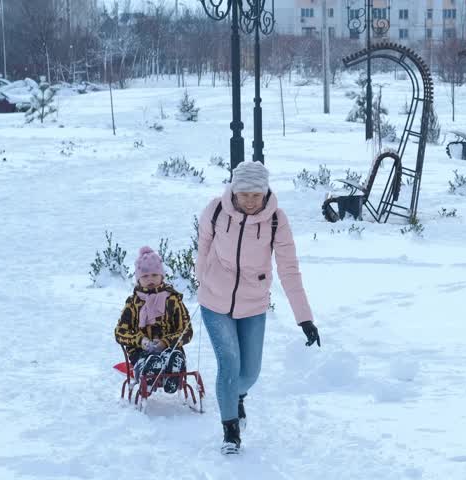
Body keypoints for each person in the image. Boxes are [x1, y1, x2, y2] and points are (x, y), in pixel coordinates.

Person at [198, 160, 320, 455]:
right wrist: (203, 278)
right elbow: (203, 245)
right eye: (244, 194)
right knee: (229, 364)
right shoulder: (215, 210)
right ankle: (231, 432)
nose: (251, 201)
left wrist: (304, 318)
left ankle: (237, 395)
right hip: (215, 302)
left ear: (265, 192)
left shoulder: (276, 220)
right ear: (234, 190)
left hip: (253, 304)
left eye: (256, 194)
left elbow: (289, 270)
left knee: (249, 372)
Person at [115, 247, 194, 393]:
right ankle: (149, 372)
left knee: (172, 354)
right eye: (145, 276)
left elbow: (187, 331)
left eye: (154, 275)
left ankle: (173, 372)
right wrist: (141, 341)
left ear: (162, 276)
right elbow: (120, 332)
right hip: (141, 351)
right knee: (148, 359)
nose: (150, 279)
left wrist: (166, 342)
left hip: (170, 349)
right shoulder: (133, 303)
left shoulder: (172, 300)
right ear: (138, 279)